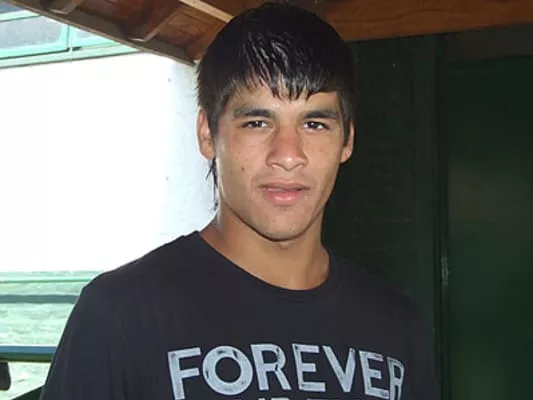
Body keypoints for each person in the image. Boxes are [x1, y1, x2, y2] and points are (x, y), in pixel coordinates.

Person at [39, 2, 439, 399]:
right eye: (257, 122)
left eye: (315, 123)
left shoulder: (398, 327)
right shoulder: (121, 317)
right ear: (207, 135)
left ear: (347, 140)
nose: (288, 155)